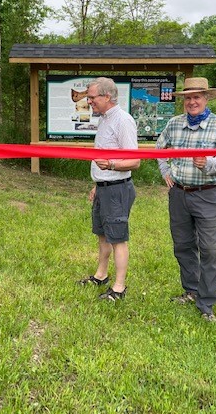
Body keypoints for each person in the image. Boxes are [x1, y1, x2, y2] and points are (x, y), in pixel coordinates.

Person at [156, 77, 216, 322]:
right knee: (183, 245)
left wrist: (208, 163)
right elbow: (160, 149)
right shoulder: (174, 124)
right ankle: (191, 290)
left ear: (206, 98)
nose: (192, 102)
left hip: (207, 194)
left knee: (210, 249)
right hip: (179, 194)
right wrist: (165, 172)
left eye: (197, 97)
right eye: (188, 98)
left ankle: (207, 302)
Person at [78, 77, 140, 301]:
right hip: (103, 188)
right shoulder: (104, 119)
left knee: (118, 238)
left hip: (117, 189)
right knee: (103, 235)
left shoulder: (123, 120)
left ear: (106, 97)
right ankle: (101, 275)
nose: (89, 101)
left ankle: (119, 288)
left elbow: (135, 161)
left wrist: (112, 165)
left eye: (92, 97)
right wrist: (97, 184)